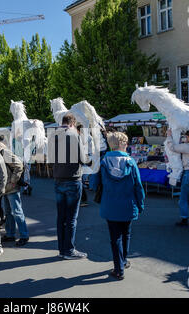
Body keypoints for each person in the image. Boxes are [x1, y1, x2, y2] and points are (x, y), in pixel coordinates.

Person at [94, 132, 145, 280]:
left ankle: (118, 268)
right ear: (123, 144)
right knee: (126, 233)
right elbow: (138, 187)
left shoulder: (103, 161)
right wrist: (140, 204)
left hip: (110, 204)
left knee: (114, 237)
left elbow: (93, 183)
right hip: (128, 204)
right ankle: (124, 260)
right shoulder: (131, 162)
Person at [48, 113, 91, 260]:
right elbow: (82, 158)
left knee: (61, 217)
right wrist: (90, 160)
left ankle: (62, 249)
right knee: (71, 218)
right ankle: (69, 250)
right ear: (72, 123)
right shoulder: (74, 135)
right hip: (72, 179)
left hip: (58, 179)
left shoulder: (53, 136)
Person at [0, 141, 29, 247]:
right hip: (6, 189)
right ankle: (10, 234)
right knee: (8, 212)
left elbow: (19, 165)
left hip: (11, 188)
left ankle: (24, 235)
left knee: (17, 212)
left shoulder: (4, 153)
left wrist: (13, 181)